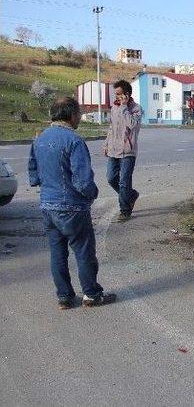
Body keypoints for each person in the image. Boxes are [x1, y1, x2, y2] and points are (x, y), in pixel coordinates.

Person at [28, 97, 116, 309]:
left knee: (57, 253)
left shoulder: (39, 139)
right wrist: (91, 194)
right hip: (72, 207)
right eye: (78, 113)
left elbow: (33, 174)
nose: (79, 117)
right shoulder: (74, 141)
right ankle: (91, 294)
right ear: (71, 115)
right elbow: (82, 180)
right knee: (84, 252)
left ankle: (64, 297)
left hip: (48, 206)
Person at [104, 79, 142, 222]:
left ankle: (125, 211)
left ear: (126, 94)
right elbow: (111, 128)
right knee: (111, 178)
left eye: (119, 94)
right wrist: (106, 144)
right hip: (113, 149)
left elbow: (132, 124)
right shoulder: (114, 108)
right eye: (115, 94)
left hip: (128, 151)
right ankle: (130, 195)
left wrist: (124, 107)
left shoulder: (136, 108)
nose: (116, 97)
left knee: (124, 182)